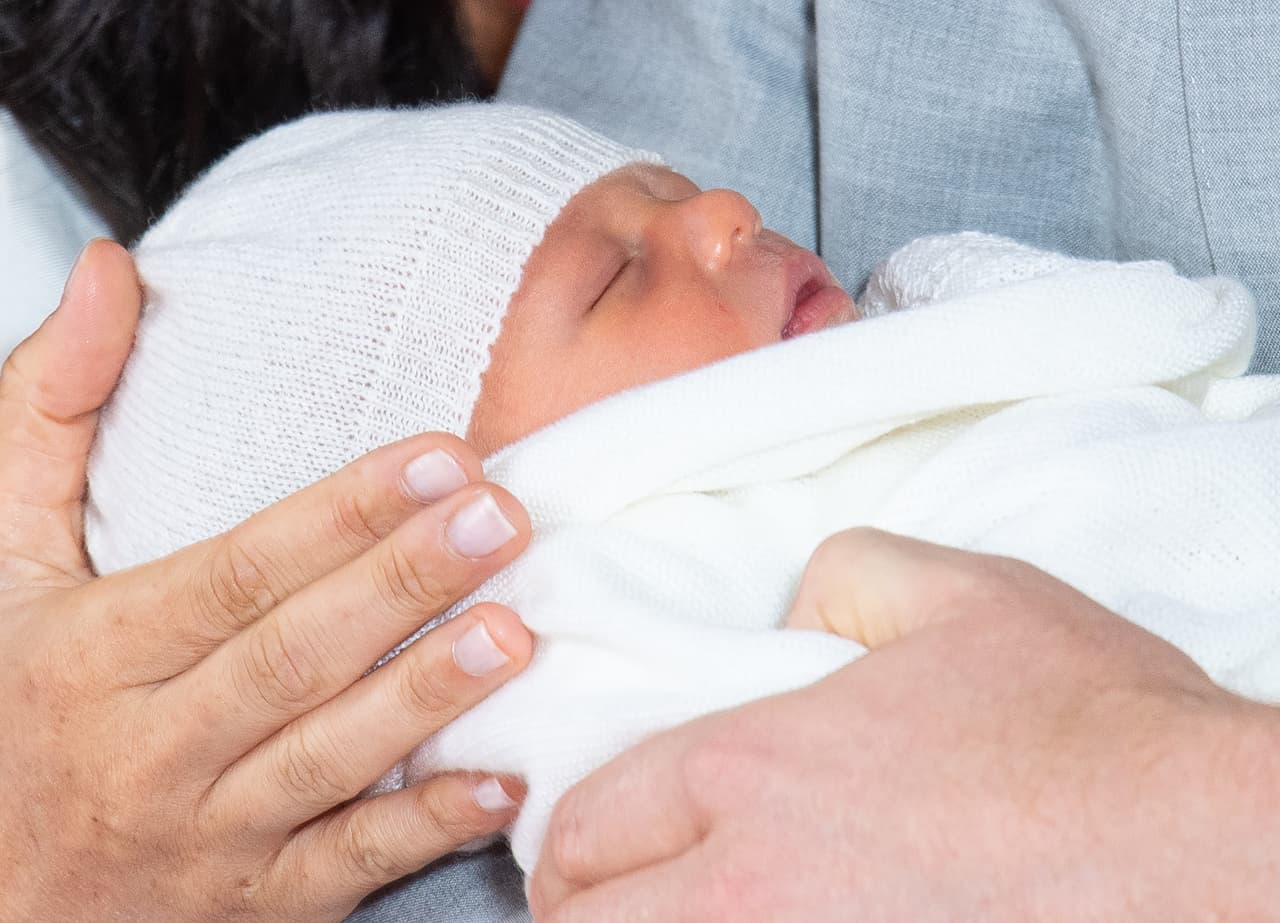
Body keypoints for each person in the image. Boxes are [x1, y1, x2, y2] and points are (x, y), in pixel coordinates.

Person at [85, 101, 1280, 885]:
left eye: (672, 188)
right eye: (615, 276)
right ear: (447, 533)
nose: (725, 214)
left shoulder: (920, 345)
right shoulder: (567, 621)